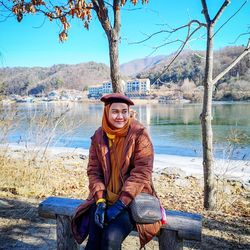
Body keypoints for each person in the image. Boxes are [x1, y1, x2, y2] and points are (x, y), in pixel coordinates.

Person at [71, 93, 162, 249]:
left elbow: (141, 173)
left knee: (110, 239)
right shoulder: (99, 136)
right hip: (104, 198)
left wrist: (120, 205)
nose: (120, 116)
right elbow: (94, 172)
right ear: (107, 112)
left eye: (124, 111)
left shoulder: (139, 134)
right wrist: (100, 201)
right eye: (115, 111)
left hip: (132, 199)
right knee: (93, 241)